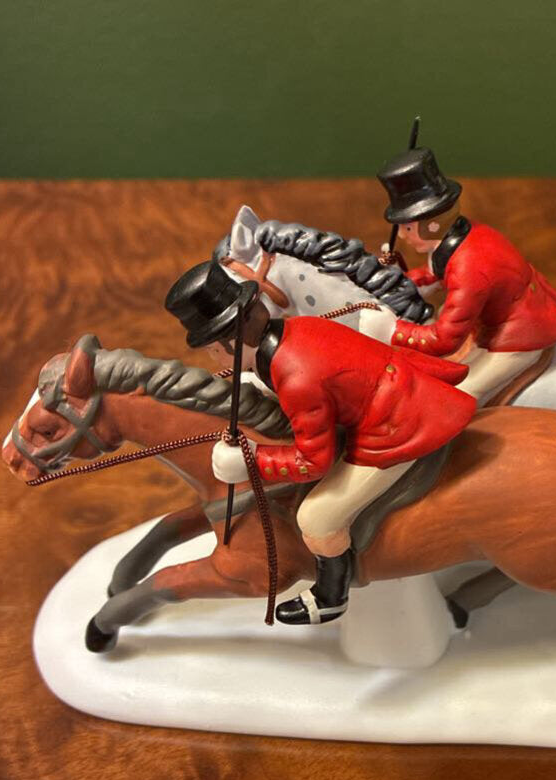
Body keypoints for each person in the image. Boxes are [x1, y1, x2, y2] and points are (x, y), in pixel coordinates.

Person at [164, 260, 477, 625]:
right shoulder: (296, 327)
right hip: (393, 393)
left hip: (398, 424)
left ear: (232, 342)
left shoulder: (296, 378)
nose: (212, 358)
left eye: (212, 350)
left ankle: (331, 596)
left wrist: (251, 460)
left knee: (317, 519)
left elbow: (314, 462)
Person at [377, 145, 556, 404]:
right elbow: (434, 274)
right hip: (495, 321)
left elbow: (444, 339)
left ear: (432, 225)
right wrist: (399, 284)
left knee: (455, 397)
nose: (401, 235)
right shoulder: (457, 239)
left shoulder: (469, 267)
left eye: (408, 228)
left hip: (520, 335)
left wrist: (394, 330)